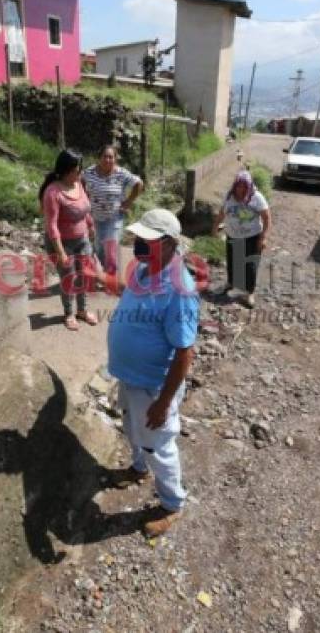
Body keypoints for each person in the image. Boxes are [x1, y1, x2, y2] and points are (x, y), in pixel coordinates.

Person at [87, 208, 200, 538]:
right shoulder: (146, 268)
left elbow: (184, 352)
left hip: (153, 385)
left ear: (167, 243)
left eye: (145, 239)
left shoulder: (180, 290)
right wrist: (101, 279)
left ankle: (172, 503)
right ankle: (138, 469)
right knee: (130, 424)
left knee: (159, 445)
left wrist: (164, 402)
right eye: (137, 236)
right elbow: (129, 291)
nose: (137, 243)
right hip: (129, 375)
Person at [40, 150, 98, 331]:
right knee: (69, 278)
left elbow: (85, 209)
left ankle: (82, 310)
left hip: (82, 240)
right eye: (76, 171)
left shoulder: (78, 184)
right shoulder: (53, 192)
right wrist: (61, 252)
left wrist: (90, 226)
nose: (79, 174)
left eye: (80, 170)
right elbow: (52, 226)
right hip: (62, 244)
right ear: (65, 171)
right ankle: (69, 313)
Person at [212, 170, 271, 308]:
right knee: (232, 261)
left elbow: (267, 218)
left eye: (245, 186)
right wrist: (214, 227)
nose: (242, 189)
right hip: (232, 235)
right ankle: (231, 283)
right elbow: (222, 212)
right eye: (239, 185)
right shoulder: (229, 196)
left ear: (249, 186)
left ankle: (249, 293)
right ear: (235, 185)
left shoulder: (256, 197)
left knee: (249, 266)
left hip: (252, 236)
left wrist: (263, 238)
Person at [82, 145, 144, 275]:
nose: (108, 160)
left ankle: (111, 277)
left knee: (111, 247)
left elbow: (139, 183)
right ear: (99, 158)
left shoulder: (121, 173)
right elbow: (80, 182)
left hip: (114, 217)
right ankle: (102, 273)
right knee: (99, 248)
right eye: (105, 156)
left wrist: (128, 202)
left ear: (115, 159)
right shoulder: (90, 172)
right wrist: (84, 197)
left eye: (111, 157)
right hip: (96, 217)